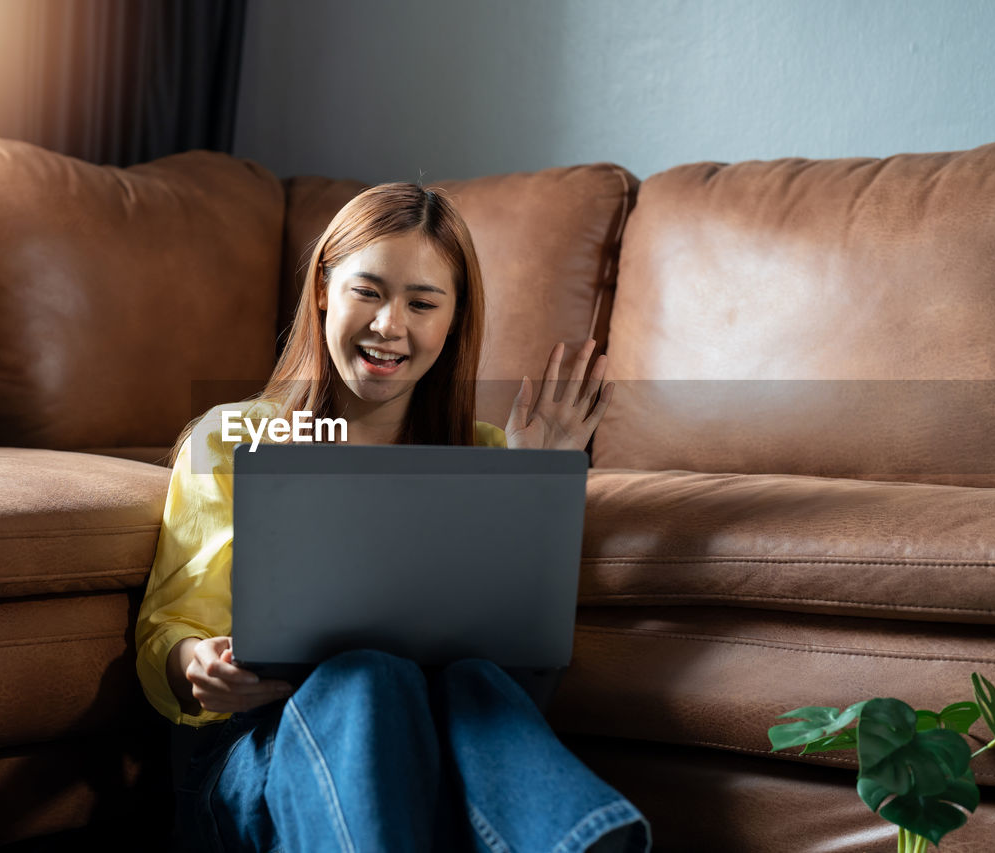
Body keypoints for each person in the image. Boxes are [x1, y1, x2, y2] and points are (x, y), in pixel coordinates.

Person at [135, 183, 650, 852]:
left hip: (437, 747)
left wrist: (530, 488)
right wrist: (194, 663)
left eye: (423, 303)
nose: (390, 326)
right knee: (367, 674)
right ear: (323, 289)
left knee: (468, 680)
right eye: (368, 292)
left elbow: (524, 659)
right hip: (258, 754)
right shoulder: (230, 439)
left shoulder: (492, 454)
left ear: (454, 319)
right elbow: (166, 627)